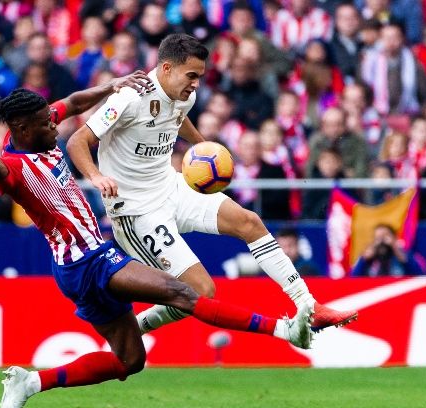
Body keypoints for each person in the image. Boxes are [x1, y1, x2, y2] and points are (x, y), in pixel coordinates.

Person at [0, 85, 315, 408]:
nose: (55, 125)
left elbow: (74, 100)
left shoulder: (38, 128)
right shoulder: (11, 167)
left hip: (84, 262)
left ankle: (30, 383)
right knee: (183, 292)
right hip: (86, 262)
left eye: (52, 119)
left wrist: (114, 84)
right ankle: (283, 331)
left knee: (130, 360)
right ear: (20, 129)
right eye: (47, 123)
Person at [66, 33, 357, 335]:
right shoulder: (130, 98)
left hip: (172, 187)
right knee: (202, 290)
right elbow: (78, 140)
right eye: (191, 76)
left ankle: (310, 307)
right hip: (137, 211)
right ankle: (132, 328)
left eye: (200, 77)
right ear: (166, 69)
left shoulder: (184, 95)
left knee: (249, 221)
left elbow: (177, 118)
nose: (196, 84)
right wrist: (97, 177)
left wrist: (204, 146)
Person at [351, 224, 425, 277]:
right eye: (378, 238)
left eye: (385, 236)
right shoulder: (368, 259)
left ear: (394, 238)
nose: (382, 241)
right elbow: (353, 279)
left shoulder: (406, 255)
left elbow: (420, 275)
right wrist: (363, 260)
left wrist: (398, 253)